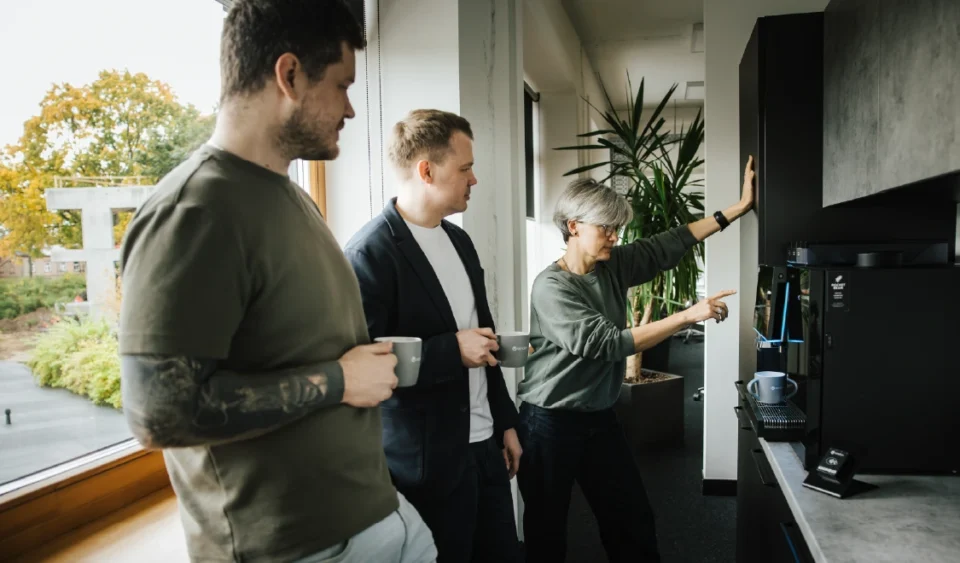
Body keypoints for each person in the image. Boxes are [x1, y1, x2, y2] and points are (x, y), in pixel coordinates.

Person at [117, 2, 436, 562]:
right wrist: (338, 380)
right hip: (298, 547)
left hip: (378, 515)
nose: (351, 109)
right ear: (288, 76)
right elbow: (159, 412)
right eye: (341, 86)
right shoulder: (196, 209)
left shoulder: (293, 198)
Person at [516, 157, 757, 563]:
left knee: (631, 520)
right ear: (573, 226)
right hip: (549, 422)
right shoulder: (551, 287)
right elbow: (608, 343)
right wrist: (687, 315)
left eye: (616, 228)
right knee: (547, 530)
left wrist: (736, 208)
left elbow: (670, 243)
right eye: (604, 228)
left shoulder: (613, 265)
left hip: (599, 416)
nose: (614, 236)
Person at [345, 109, 523, 563]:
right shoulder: (369, 254)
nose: (474, 180)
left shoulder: (460, 242)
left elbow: (481, 337)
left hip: (485, 446)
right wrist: (451, 350)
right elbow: (362, 368)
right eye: (465, 168)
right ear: (426, 170)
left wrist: (505, 422)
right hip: (427, 465)